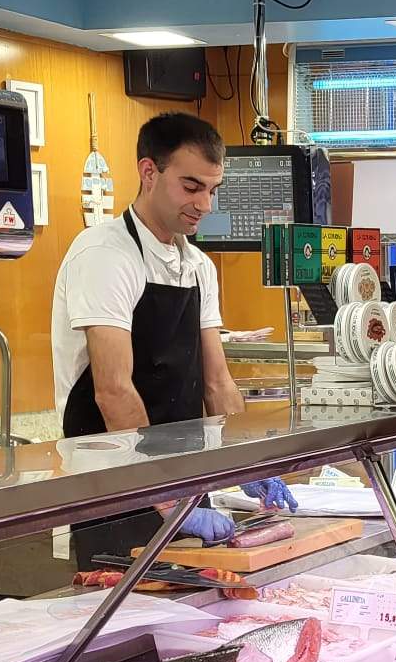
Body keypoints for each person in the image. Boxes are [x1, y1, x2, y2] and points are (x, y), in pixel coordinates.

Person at [51, 112, 293, 568]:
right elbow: (113, 390)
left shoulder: (198, 265)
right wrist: (166, 498)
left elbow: (218, 384)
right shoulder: (105, 255)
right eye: (191, 186)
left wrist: (249, 465)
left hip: (180, 483)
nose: (205, 204)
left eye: (212, 190)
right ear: (149, 172)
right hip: (116, 487)